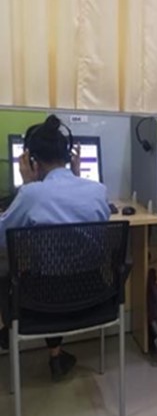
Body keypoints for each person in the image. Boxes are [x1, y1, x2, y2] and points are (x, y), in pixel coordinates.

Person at [0, 115, 110, 381]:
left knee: (13, 272)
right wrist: (77, 178)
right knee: (56, 270)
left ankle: (8, 329)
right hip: (94, 295)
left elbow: (2, 238)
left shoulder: (31, 194)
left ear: (32, 162)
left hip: (44, 301)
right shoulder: (98, 191)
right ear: (69, 157)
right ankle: (56, 355)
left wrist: (28, 187)